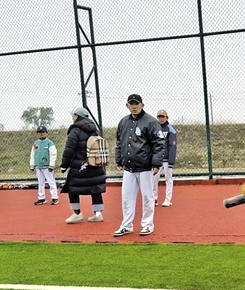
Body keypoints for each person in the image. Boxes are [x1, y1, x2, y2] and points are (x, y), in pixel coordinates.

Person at [113, 94, 165, 237]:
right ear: (127, 105)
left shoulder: (151, 122)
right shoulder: (123, 122)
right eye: (131, 104)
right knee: (126, 198)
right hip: (129, 168)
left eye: (136, 104)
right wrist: (119, 160)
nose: (134, 106)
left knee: (147, 197)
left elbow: (159, 143)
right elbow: (119, 143)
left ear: (142, 105)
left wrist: (156, 163)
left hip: (145, 167)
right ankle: (126, 225)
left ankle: (148, 225)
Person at [60, 107, 107, 223]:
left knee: (72, 187)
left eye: (73, 115)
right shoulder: (94, 129)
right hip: (94, 164)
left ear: (77, 116)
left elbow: (69, 149)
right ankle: (98, 214)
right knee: (95, 188)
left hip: (78, 165)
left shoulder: (75, 130)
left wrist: (64, 165)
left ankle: (77, 213)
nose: (72, 117)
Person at [152, 109, 177, 207]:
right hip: (157, 159)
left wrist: (171, 161)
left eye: (163, 117)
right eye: (159, 117)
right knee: (154, 179)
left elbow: (172, 146)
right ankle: (154, 199)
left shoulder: (170, 129)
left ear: (167, 117)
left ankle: (167, 199)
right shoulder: (155, 128)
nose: (161, 119)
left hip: (167, 159)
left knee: (168, 179)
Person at [30, 125, 59, 205]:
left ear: (46, 133)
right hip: (38, 166)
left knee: (51, 181)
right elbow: (32, 154)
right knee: (40, 182)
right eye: (39, 132)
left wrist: (51, 165)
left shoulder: (50, 143)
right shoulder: (36, 143)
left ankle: (55, 197)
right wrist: (32, 165)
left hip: (47, 166)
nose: (41, 134)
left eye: (43, 132)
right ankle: (41, 198)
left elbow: (53, 154)